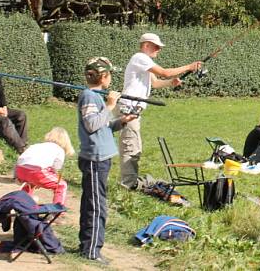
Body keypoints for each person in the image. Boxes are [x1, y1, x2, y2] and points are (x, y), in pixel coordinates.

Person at [117, 33, 202, 189]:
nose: (159, 50)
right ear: (146, 45)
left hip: (134, 111)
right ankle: (127, 185)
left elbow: (155, 83)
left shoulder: (145, 63)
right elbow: (164, 72)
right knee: (131, 148)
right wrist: (189, 67)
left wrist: (171, 83)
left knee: (134, 147)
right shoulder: (140, 57)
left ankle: (129, 183)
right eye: (156, 47)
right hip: (128, 110)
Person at [77, 57, 136, 264]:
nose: (111, 78)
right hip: (94, 159)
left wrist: (120, 122)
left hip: (101, 158)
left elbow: (102, 126)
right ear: (103, 77)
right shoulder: (89, 97)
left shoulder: (95, 97)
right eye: (109, 74)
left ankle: (87, 245)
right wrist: (110, 106)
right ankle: (92, 251)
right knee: (96, 206)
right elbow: (92, 124)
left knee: (92, 203)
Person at [15, 127, 75, 206]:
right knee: (61, 185)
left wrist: (16, 176)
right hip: (37, 171)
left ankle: (22, 202)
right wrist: (41, 181)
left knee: (30, 183)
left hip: (20, 169)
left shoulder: (36, 145)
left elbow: (20, 159)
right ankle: (57, 209)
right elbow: (56, 168)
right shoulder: (59, 150)